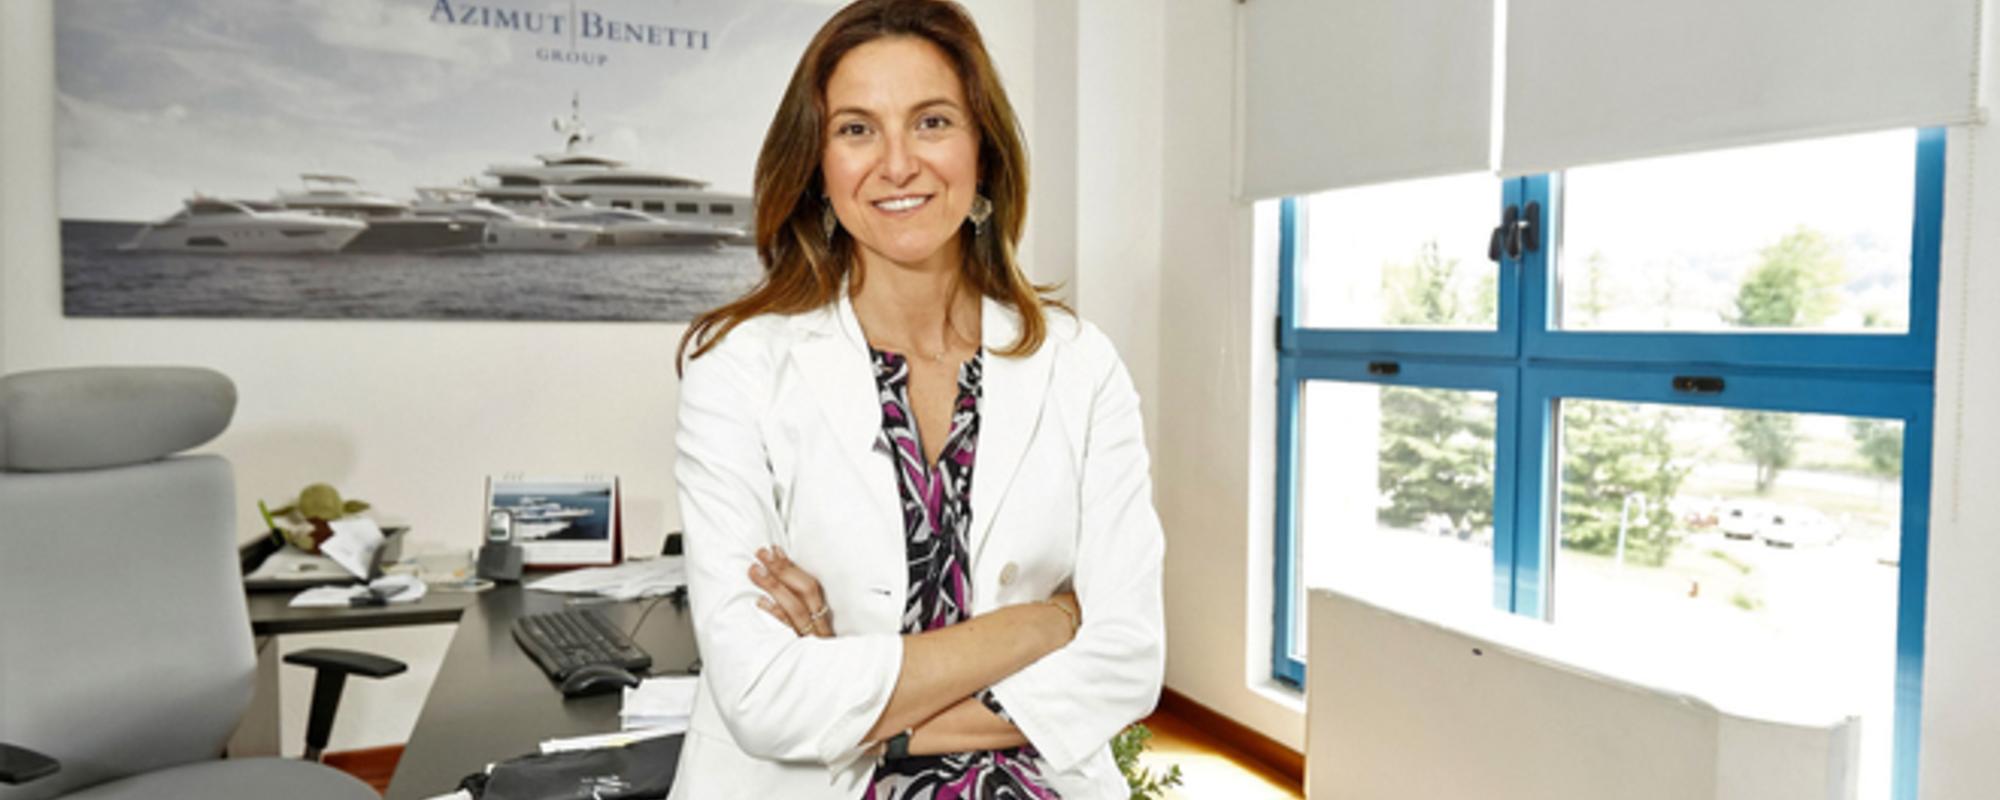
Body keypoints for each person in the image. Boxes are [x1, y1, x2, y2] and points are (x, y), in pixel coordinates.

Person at [668, 1, 1164, 797]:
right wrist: (1045, 623)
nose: (897, 164)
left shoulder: (1081, 364)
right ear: (818, 166)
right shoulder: (736, 367)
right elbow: (762, 696)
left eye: (932, 122)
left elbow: (1128, 660)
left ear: (982, 152)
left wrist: (869, 712)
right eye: (856, 129)